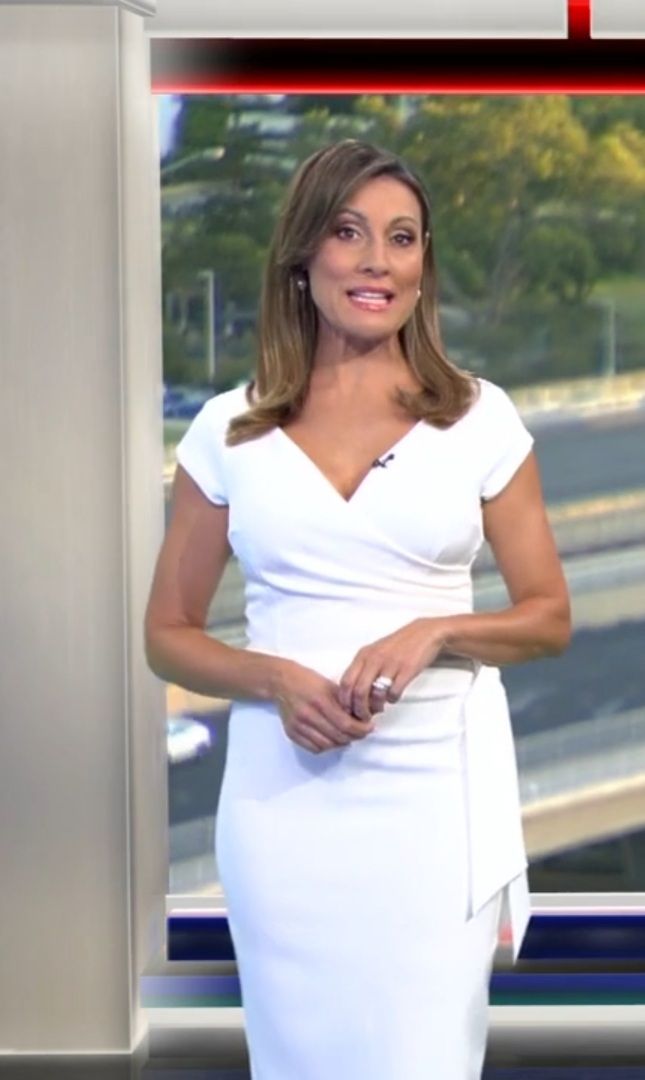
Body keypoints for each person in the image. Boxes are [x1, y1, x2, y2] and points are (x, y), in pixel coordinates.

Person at [145, 138, 571, 1079]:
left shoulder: (478, 419)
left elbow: (547, 616)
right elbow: (166, 637)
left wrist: (436, 630)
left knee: (423, 1053)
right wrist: (273, 678)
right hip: (283, 799)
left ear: (422, 267)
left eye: (401, 238)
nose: (377, 261)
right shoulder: (227, 432)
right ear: (303, 257)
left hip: (434, 801)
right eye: (349, 233)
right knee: (298, 1055)